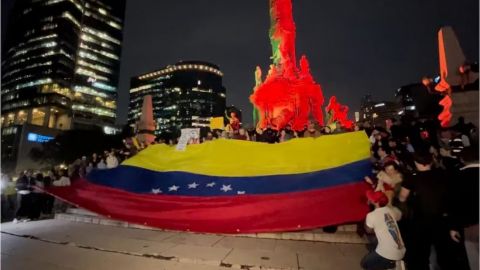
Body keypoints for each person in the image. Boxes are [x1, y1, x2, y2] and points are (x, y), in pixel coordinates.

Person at [398, 152, 463, 269]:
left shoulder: (412, 178)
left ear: (416, 162)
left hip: (420, 220)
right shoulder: (444, 174)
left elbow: (402, 198)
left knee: (421, 253)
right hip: (442, 219)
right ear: (431, 161)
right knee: (444, 253)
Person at [361, 190, 405, 270]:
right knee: (373, 243)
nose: (369, 198)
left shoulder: (371, 215)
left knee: (365, 264)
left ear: (375, 202)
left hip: (389, 253)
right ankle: (392, 263)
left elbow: (368, 231)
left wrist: (366, 218)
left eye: (371, 198)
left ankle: (390, 264)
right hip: (401, 250)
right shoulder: (391, 210)